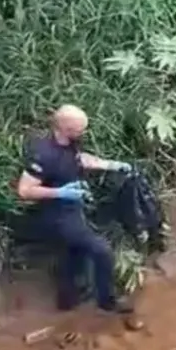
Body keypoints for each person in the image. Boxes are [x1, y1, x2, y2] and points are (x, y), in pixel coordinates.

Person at [15, 105, 135, 314]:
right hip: (57, 215)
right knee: (102, 252)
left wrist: (111, 165)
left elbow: (80, 159)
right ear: (64, 128)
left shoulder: (70, 143)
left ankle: (68, 299)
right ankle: (107, 301)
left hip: (72, 208)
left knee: (73, 253)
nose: (84, 132)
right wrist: (61, 192)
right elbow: (24, 190)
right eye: (80, 129)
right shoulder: (44, 154)